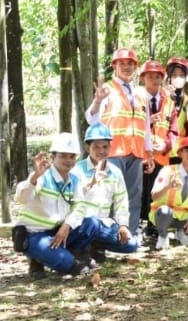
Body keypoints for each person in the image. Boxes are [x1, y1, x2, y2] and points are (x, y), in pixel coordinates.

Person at [86, 47, 155, 243]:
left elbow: (146, 126)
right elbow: (91, 119)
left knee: (134, 195)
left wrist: (148, 153)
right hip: (113, 153)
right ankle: (105, 237)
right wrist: (98, 101)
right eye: (122, 63)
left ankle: (129, 235)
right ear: (114, 66)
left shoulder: (141, 93)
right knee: (109, 194)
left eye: (130, 64)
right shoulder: (107, 89)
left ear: (136, 67)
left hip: (136, 153)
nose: (126, 67)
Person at [13, 132, 100, 278]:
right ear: (53, 157)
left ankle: (71, 256)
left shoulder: (74, 179)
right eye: (63, 156)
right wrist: (34, 177)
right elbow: (21, 198)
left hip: (58, 230)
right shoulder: (42, 176)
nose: (68, 160)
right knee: (66, 263)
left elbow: (80, 206)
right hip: (35, 234)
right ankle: (41, 259)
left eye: (72, 156)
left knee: (91, 223)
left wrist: (67, 225)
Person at [72, 124, 138, 262]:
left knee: (131, 244)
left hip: (103, 225)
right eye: (96, 147)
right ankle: (78, 249)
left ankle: (96, 244)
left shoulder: (115, 172)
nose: (101, 151)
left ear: (110, 147)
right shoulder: (77, 170)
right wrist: (91, 182)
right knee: (92, 223)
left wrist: (123, 226)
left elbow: (121, 201)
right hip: (82, 224)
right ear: (87, 148)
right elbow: (71, 198)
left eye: (105, 147)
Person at [149, 136, 188, 250]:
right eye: (187, 151)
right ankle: (163, 235)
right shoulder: (168, 170)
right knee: (164, 211)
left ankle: (183, 233)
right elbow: (154, 196)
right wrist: (168, 186)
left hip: (185, 217)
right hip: (165, 216)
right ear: (180, 153)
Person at [139, 60, 174, 236]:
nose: (154, 79)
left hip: (161, 156)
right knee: (140, 190)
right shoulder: (136, 98)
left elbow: (173, 130)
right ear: (143, 78)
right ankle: (137, 224)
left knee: (157, 190)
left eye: (157, 76)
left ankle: (154, 223)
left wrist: (166, 144)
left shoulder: (169, 101)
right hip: (140, 154)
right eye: (150, 76)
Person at [165, 56, 188, 164]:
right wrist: (167, 97)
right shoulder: (161, 97)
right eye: (174, 75)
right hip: (163, 151)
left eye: (181, 75)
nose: (178, 78)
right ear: (169, 77)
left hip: (181, 153)